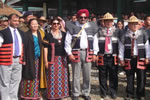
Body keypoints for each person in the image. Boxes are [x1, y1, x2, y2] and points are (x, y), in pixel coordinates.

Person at [65, 9, 99, 100]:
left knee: (87, 74)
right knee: (76, 75)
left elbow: (95, 41)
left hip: (88, 52)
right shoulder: (72, 26)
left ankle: (86, 92)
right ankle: (75, 93)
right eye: (81, 17)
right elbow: (67, 42)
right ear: (78, 17)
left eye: (85, 17)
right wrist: (69, 53)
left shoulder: (92, 27)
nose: (83, 19)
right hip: (76, 52)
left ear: (87, 18)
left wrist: (95, 53)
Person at [119, 16, 149, 100]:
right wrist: (121, 58)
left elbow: (147, 47)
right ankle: (129, 94)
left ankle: (141, 94)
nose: (135, 25)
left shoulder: (143, 34)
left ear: (139, 25)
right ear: (129, 25)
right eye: (133, 24)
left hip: (141, 58)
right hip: (129, 58)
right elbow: (121, 48)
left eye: (136, 23)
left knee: (141, 77)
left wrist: (147, 57)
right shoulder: (125, 35)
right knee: (129, 77)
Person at [43, 17, 70, 100]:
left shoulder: (64, 34)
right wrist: (45, 61)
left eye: (57, 23)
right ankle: (52, 95)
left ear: (60, 25)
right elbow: (45, 48)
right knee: (51, 77)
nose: (56, 25)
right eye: (54, 23)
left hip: (62, 59)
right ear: (51, 25)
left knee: (62, 77)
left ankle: (61, 94)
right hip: (52, 59)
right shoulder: (47, 35)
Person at [0, 13, 25, 100]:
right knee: (5, 82)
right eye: (14, 21)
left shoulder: (21, 33)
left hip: (18, 60)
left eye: (18, 21)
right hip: (5, 60)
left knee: (16, 81)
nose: (16, 23)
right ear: (9, 21)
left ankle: (13, 98)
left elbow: (23, 47)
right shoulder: (3, 32)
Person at [96, 12, 120, 100]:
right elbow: (95, 43)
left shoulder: (117, 31)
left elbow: (120, 44)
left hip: (113, 56)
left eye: (110, 21)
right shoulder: (99, 31)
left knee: (113, 75)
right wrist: (96, 54)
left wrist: (120, 55)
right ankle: (103, 92)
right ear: (103, 22)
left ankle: (113, 92)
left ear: (113, 21)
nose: (108, 23)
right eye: (106, 21)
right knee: (102, 75)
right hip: (102, 55)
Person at [21, 19, 42, 100]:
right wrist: (24, 59)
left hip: (38, 59)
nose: (35, 25)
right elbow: (24, 48)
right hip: (29, 59)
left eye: (36, 24)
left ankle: (36, 94)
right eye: (33, 24)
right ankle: (27, 95)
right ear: (29, 25)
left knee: (37, 76)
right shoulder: (26, 35)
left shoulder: (40, 34)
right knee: (29, 76)